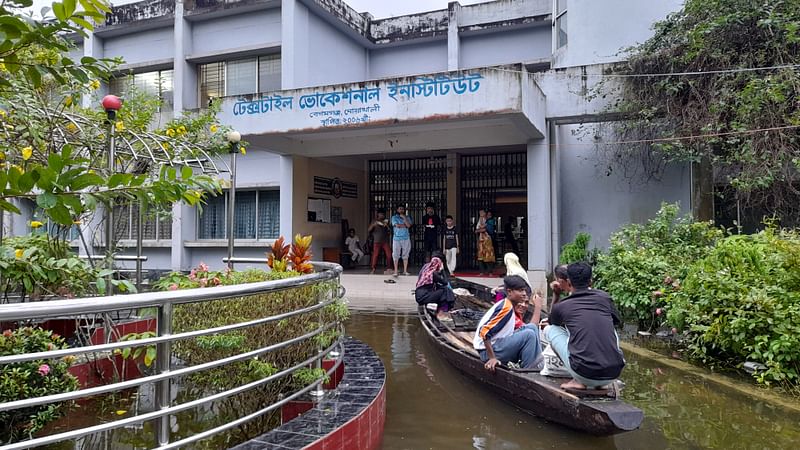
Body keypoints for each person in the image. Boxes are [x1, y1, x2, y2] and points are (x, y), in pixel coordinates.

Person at [544, 262, 625, 390]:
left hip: (584, 374)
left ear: (568, 282)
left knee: (550, 329)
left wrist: (557, 295)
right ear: (591, 282)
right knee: (608, 325)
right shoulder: (604, 298)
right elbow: (617, 321)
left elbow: (552, 322)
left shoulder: (562, 306)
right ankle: (601, 379)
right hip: (614, 373)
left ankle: (577, 380)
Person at [473, 275, 543, 371]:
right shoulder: (505, 308)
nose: (524, 294)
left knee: (532, 327)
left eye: (524, 290)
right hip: (486, 351)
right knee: (529, 335)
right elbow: (484, 331)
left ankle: (538, 362)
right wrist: (492, 358)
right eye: (520, 291)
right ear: (509, 292)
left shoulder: (509, 305)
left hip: (498, 345)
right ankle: (529, 370)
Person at [414, 254, 455, 320]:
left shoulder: (426, 268)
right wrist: (442, 270)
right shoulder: (433, 274)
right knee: (445, 290)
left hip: (420, 295)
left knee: (443, 290)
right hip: (423, 296)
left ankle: (443, 309)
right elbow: (445, 282)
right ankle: (442, 312)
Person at [391, 204, 413, 276]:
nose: (401, 210)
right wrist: (404, 226)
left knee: (406, 254)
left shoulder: (408, 217)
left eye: (402, 209)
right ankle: (396, 271)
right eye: (400, 209)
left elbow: (409, 226)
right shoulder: (394, 217)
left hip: (406, 238)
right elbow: (397, 225)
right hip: (396, 239)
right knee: (395, 254)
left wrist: (404, 218)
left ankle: (405, 270)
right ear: (397, 210)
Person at [368, 209, 392, 274]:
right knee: (375, 255)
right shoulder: (374, 221)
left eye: (383, 214)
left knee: (389, 255)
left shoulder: (386, 221)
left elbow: (390, 231)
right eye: (380, 214)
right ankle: (373, 269)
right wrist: (373, 225)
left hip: (385, 241)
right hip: (377, 241)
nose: (382, 215)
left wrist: (386, 225)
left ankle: (389, 268)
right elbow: (369, 229)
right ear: (378, 214)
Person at [475, 209, 495, 276]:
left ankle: (490, 272)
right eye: (480, 213)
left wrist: (481, 230)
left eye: (482, 213)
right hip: (481, 240)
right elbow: (477, 230)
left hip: (487, 240)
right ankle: (482, 271)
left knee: (488, 256)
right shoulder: (480, 220)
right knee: (480, 256)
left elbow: (486, 229)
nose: (481, 214)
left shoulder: (490, 221)